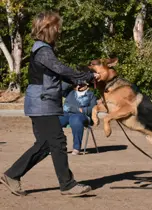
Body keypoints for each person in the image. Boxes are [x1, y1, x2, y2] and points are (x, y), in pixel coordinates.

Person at [0, 11, 100, 196]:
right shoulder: (43, 50)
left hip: (43, 101)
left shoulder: (45, 49)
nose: (59, 30)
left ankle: (12, 175)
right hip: (41, 102)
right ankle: (67, 184)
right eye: (57, 27)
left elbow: (58, 74)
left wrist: (81, 79)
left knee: (45, 144)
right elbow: (60, 69)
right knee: (57, 141)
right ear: (48, 29)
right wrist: (85, 76)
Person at [59, 83, 97, 155]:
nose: (79, 86)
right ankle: (57, 146)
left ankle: (76, 148)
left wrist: (80, 110)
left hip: (82, 116)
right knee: (54, 120)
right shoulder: (70, 92)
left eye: (81, 84)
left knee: (75, 119)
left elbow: (92, 109)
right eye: (77, 84)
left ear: (87, 84)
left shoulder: (91, 95)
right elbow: (61, 88)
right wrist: (71, 81)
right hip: (66, 114)